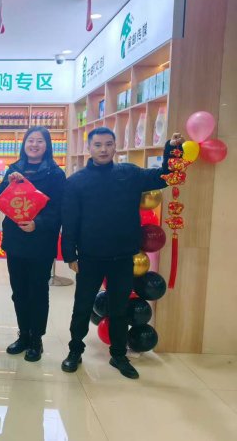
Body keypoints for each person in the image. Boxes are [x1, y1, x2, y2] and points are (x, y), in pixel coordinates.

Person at [61, 127, 183, 379]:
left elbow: (164, 176)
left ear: (115, 146)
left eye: (108, 144)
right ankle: (75, 350)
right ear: (89, 148)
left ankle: (118, 355)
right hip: (90, 257)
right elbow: (69, 221)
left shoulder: (129, 174)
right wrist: (70, 255)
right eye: (97, 145)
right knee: (82, 306)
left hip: (122, 256)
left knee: (119, 308)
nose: (103, 149)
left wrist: (172, 149)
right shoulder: (76, 181)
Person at [0, 127, 66, 362]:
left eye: (39, 141)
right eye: (30, 141)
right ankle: (23, 334)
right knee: (19, 291)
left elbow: (59, 209)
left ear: (47, 146)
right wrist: (7, 185)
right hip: (16, 240)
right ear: (24, 144)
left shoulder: (56, 174)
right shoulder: (13, 170)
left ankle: (37, 339)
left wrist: (38, 223)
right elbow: (0, 200)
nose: (34, 145)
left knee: (38, 291)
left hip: (41, 241)